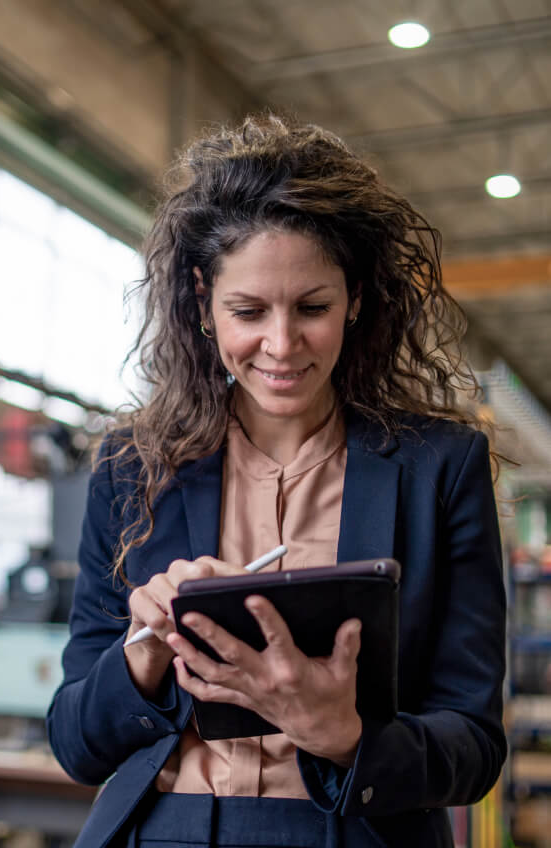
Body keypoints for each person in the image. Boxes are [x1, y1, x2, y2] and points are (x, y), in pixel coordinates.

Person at [46, 114, 506, 848]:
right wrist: (144, 652)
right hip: (164, 830)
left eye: (313, 308)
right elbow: (75, 743)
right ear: (202, 304)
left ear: (356, 299)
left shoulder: (438, 467)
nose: (282, 345)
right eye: (248, 311)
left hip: (354, 830)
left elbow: (474, 745)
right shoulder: (134, 467)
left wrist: (347, 736)